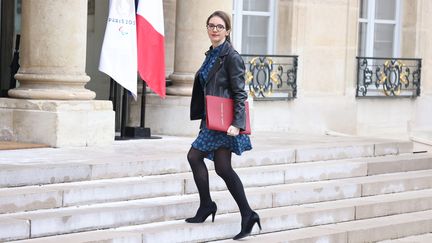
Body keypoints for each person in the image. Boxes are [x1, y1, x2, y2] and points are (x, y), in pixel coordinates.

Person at [185, 10, 261, 240]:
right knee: (222, 168)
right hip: (212, 120)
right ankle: (243, 213)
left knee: (195, 157)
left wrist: (237, 124)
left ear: (227, 31)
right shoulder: (212, 54)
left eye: (219, 26)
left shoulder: (232, 57)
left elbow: (240, 93)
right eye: (211, 26)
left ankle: (213, 206)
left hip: (226, 123)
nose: (214, 30)